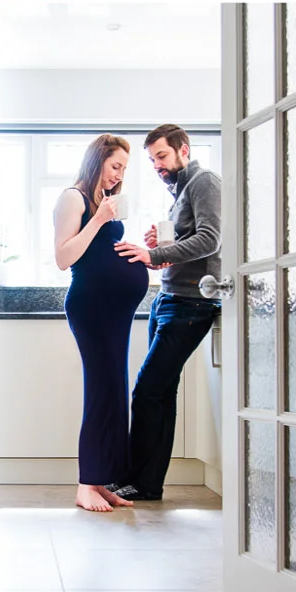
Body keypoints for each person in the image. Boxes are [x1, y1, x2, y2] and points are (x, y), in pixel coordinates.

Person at [112, 124, 223, 502]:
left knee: (148, 391)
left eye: (161, 156)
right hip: (170, 297)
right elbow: (192, 242)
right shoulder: (179, 191)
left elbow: (211, 238)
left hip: (192, 303)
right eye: (152, 160)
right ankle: (147, 483)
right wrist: (162, 245)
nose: (157, 165)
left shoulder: (204, 181)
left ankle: (140, 483)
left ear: (183, 150)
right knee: (161, 392)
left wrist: (153, 255)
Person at [54, 134, 149, 513]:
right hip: (91, 308)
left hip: (115, 309)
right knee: (100, 391)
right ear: (97, 161)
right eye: (115, 166)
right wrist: (98, 219)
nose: (119, 174)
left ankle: (102, 480)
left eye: (124, 169)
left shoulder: (102, 203)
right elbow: (65, 257)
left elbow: (102, 251)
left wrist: (142, 250)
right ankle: (84, 484)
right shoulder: (72, 198)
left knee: (114, 391)